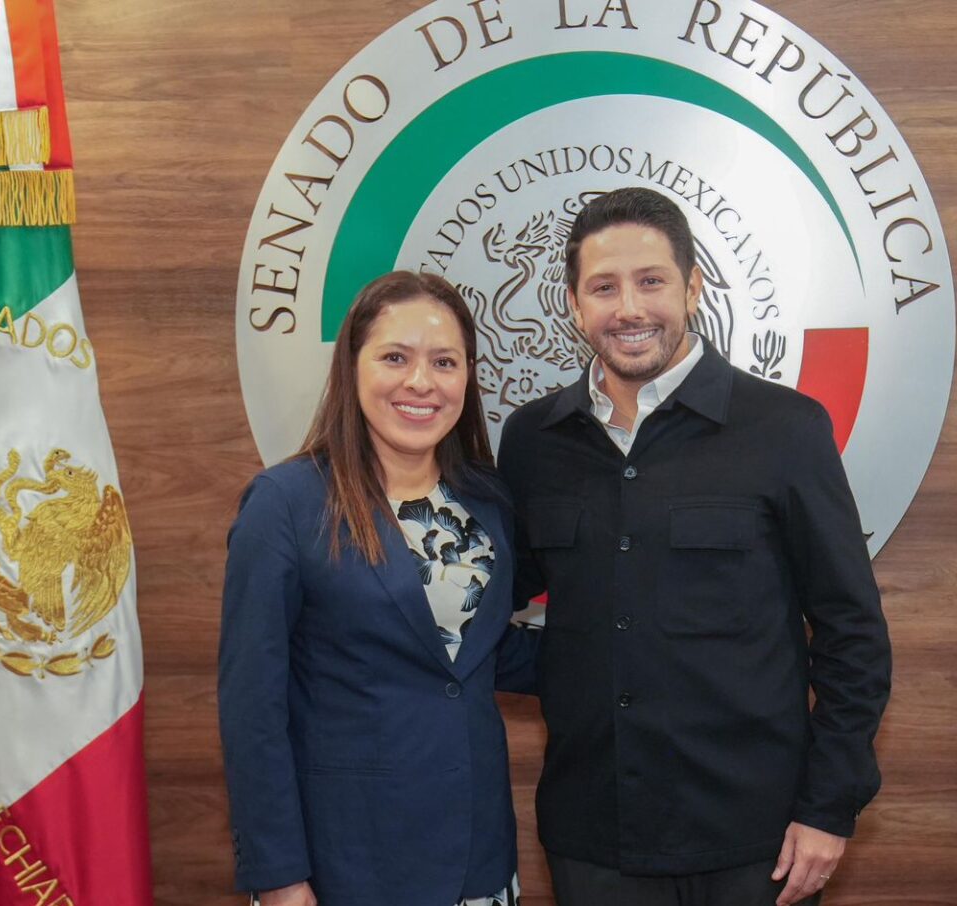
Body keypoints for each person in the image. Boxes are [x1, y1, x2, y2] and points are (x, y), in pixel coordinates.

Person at [497, 187, 893, 906]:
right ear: (575, 305)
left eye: (651, 281)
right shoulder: (532, 441)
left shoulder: (786, 429)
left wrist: (829, 806)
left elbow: (852, 634)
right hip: (594, 839)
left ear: (693, 288)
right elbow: (489, 599)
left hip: (758, 840)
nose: (630, 308)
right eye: (604, 287)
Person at [219, 271, 537, 906]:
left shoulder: (489, 500)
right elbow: (252, 708)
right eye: (395, 357)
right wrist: (278, 875)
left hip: (479, 856)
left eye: (444, 362)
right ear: (352, 366)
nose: (421, 381)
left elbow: (474, 653)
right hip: (347, 862)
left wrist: (630, 652)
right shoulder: (285, 504)